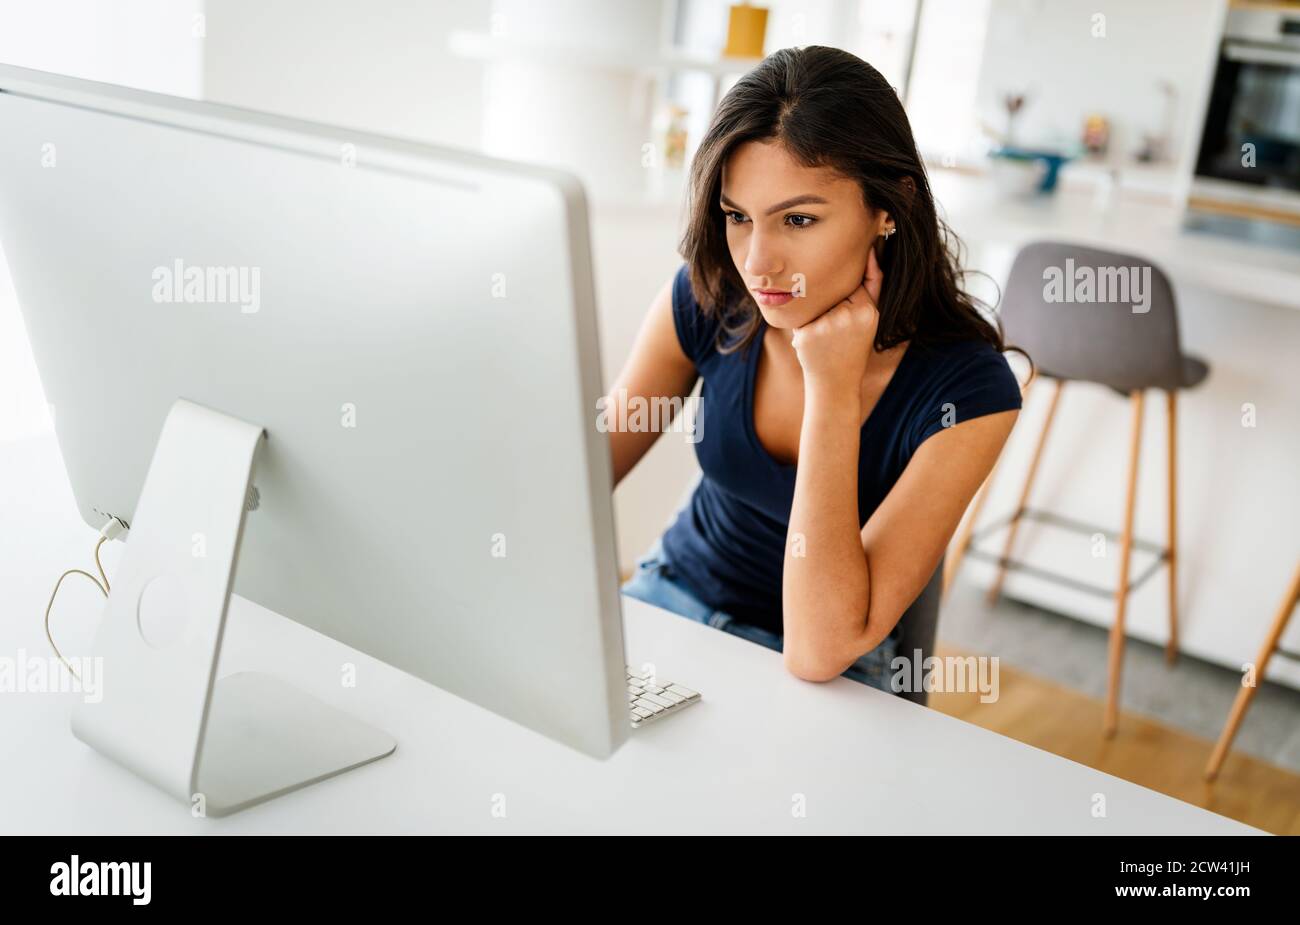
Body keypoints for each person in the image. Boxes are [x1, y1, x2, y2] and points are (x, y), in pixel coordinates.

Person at [606, 46, 1032, 695]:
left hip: (828, 676)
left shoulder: (971, 392)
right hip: (669, 601)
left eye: (798, 219)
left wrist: (832, 387)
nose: (758, 262)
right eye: (738, 217)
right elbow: (581, 473)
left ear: (889, 207)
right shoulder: (708, 297)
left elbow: (819, 649)